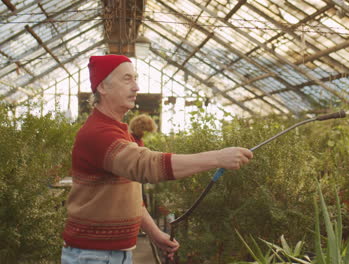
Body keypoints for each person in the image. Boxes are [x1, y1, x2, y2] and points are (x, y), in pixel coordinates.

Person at [61, 54, 253, 264]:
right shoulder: (98, 133)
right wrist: (217, 157)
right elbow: (147, 166)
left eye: (135, 78)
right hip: (93, 256)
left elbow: (128, 195)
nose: (136, 87)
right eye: (127, 79)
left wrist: (154, 233)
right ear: (103, 87)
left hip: (110, 253)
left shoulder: (119, 130)